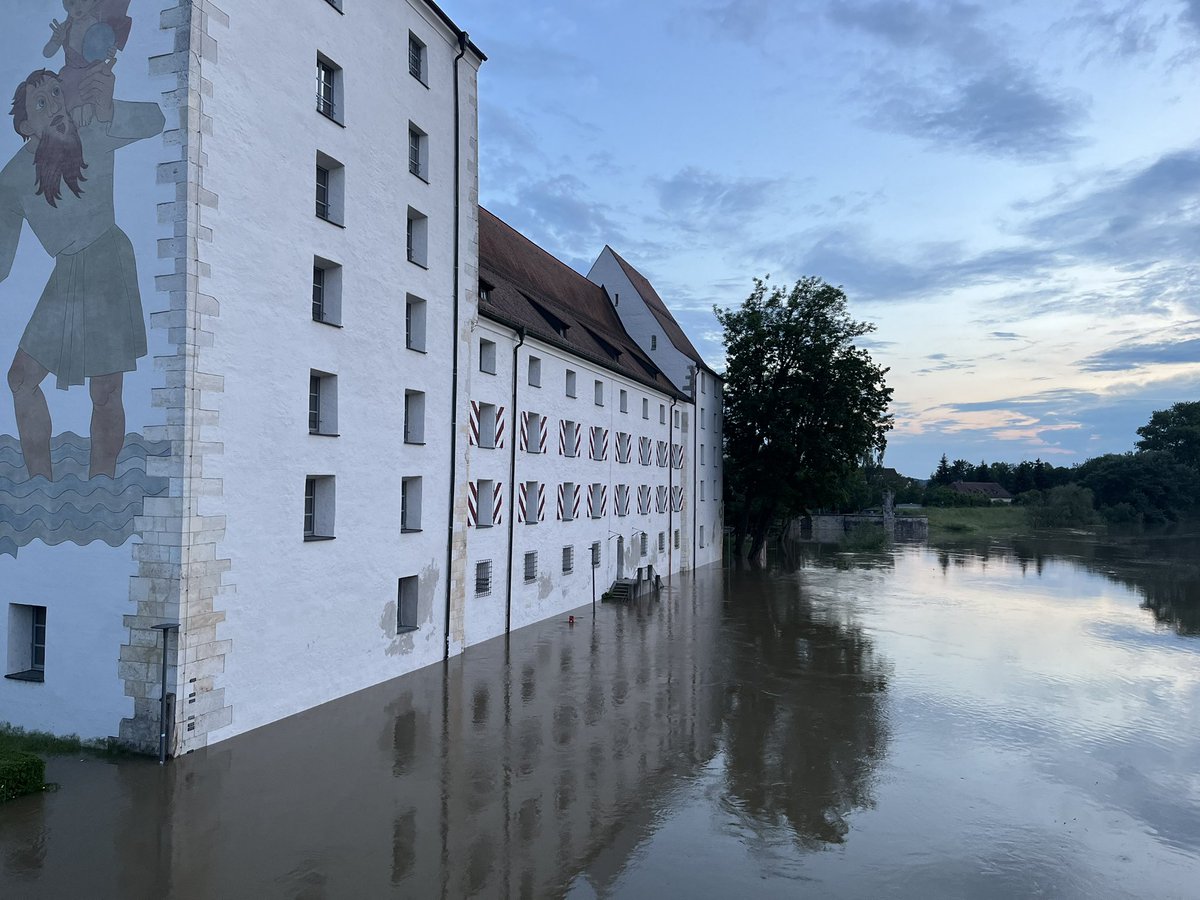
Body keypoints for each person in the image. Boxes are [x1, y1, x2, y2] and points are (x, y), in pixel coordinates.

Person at [1, 64, 163, 480]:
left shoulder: (92, 129)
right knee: (21, 378)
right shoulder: (12, 178)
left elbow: (156, 120)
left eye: (58, 93)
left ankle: (103, 483)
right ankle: (40, 483)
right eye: (43, 101)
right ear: (26, 126)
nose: (57, 104)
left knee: (105, 390)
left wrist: (109, 109)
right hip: (66, 276)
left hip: (108, 261)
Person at [43, 0, 133, 126]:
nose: (78, 6)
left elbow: (105, 53)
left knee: (96, 84)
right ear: (64, 5)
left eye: (84, 1)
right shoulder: (64, 28)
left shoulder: (100, 24)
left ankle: (89, 111)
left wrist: (110, 52)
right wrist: (56, 41)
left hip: (93, 72)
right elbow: (47, 53)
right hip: (70, 75)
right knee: (65, 86)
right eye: (72, 3)